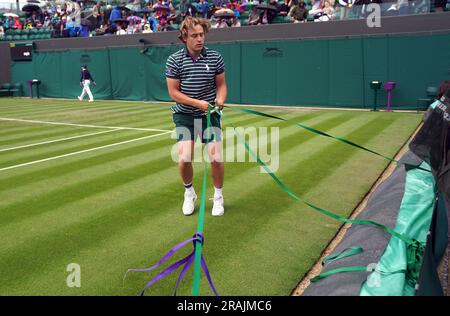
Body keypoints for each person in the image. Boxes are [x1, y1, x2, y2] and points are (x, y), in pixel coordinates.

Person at [165, 16, 227, 216]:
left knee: (215, 157)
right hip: (185, 115)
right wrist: (197, 103)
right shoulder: (174, 60)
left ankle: (218, 197)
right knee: (184, 158)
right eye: (194, 36)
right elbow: (173, 93)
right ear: (184, 38)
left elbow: (221, 85)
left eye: (202, 35)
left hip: (210, 114)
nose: (200, 39)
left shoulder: (215, 57)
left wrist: (220, 100)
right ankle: (189, 192)